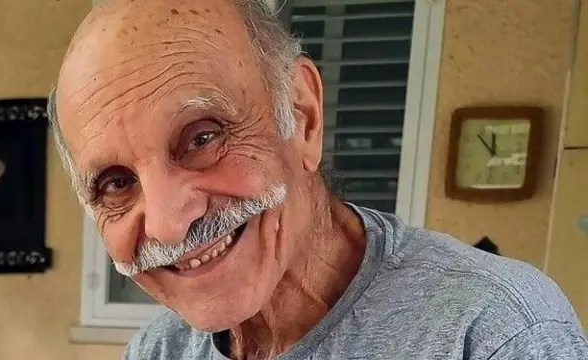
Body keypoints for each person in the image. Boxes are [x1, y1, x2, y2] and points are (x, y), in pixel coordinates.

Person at [49, 0, 588, 358]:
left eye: (202, 138)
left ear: (302, 117)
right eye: (116, 183)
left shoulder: (495, 329)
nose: (167, 226)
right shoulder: (156, 351)